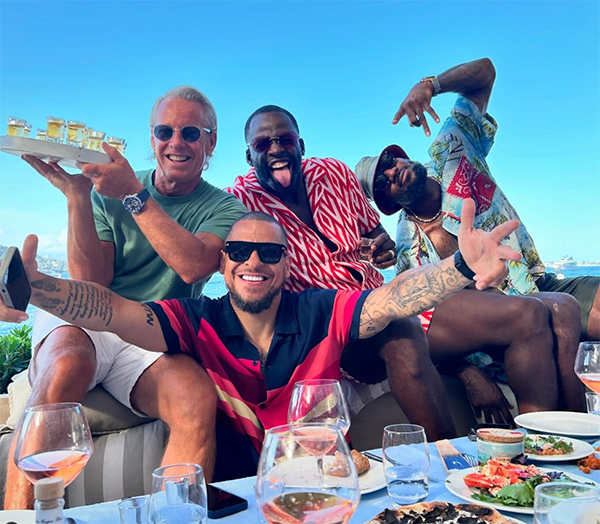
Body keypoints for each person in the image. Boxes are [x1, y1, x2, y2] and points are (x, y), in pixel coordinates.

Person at [0, 204, 524, 479]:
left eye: (269, 253)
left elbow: (391, 299)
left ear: (287, 264)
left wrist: (460, 265)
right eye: (240, 251)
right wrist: (33, 288)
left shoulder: (319, 310)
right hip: (240, 502)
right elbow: (113, 311)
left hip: (325, 491)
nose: (254, 262)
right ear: (223, 263)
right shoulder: (195, 321)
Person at [5, 86, 247, 508]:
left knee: (195, 397)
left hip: (151, 330)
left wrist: (135, 195)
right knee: (66, 365)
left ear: (211, 143)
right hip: (90, 314)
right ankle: (19, 517)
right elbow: (91, 281)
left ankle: (176, 516)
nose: (176, 142)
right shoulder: (110, 190)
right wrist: (79, 196)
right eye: (164, 131)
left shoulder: (224, 208)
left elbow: (193, 265)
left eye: (191, 133)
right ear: (152, 138)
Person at [354, 58, 585, 420]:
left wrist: (431, 85)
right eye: (382, 183)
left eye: (389, 162)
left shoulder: (451, 149)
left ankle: (579, 436)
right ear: (388, 203)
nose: (392, 173)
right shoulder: (408, 247)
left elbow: (485, 73)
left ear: (402, 157)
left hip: (532, 283)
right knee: (553, 309)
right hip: (496, 323)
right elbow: (426, 321)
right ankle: (552, 435)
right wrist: (466, 372)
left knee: (563, 307)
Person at [228, 106, 455, 441]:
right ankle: (447, 461)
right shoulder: (238, 203)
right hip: (331, 327)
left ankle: (535, 455)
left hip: (383, 299)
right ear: (249, 155)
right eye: (263, 144)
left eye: (285, 139)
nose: (276, 149)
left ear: (300, 145)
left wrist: (384, 249)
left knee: (532, 312)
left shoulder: (334, 173)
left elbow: (378, 236)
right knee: (402, 332)